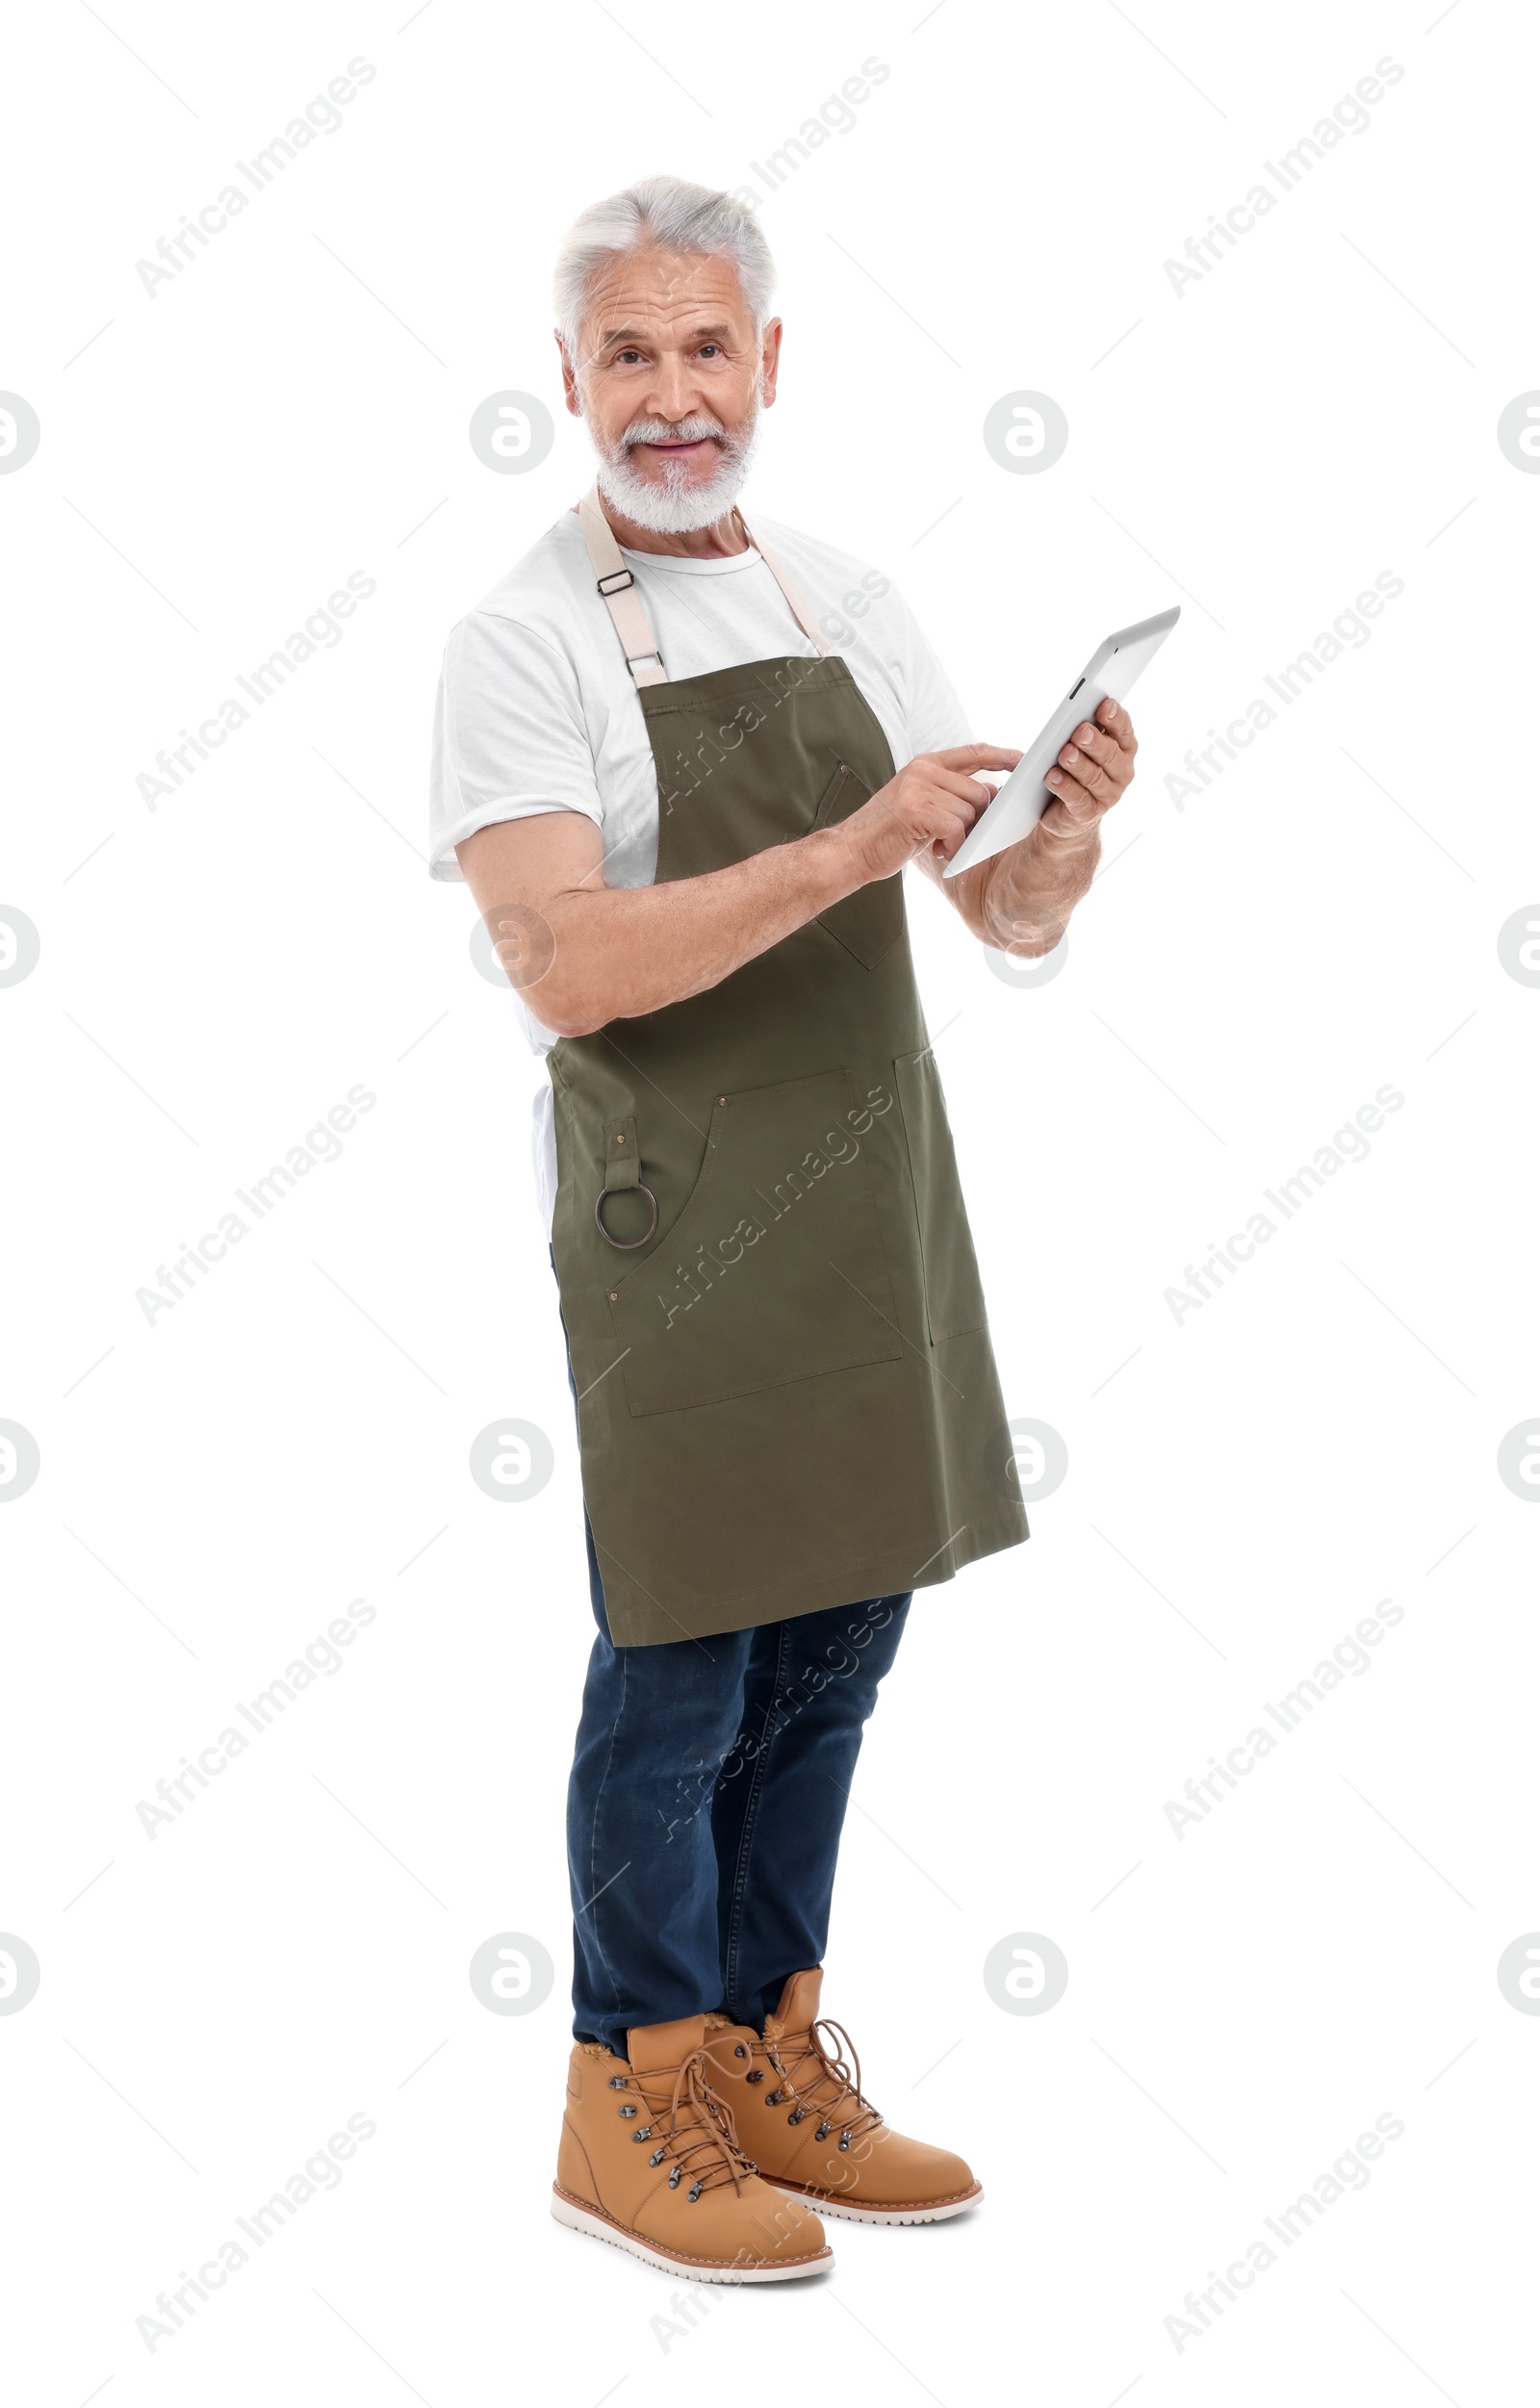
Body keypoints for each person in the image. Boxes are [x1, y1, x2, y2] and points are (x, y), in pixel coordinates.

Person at [429, 174, 1139, 2282]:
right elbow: (561, 960)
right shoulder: (522, 640)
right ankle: (621, 2092)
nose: (670, 394)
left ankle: (763, 2044)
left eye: (704, 347)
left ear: (767, 365)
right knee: (681, 1656)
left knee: (838, 1646)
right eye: (627, 354)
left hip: (870, 1202)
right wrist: (845, 841)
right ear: (566, 380)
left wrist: (1066, 842)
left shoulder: (847, 601)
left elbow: (996, 917)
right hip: (685, 1222)